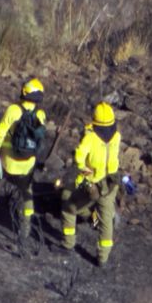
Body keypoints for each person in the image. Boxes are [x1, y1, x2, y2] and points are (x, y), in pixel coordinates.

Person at [0, 77, 47, 238]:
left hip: (7, 161)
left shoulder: (13, 110)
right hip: (27, 165)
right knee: (26, 195)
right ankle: (25, 227)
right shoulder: (41, 114)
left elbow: (0, 133)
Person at [60, 102, 122, 266]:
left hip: (93, 185)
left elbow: (79, 159)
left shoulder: (90, 138)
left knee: (69, 207)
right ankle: (102, 259)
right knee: (106, 221)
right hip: (111, 183)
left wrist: (87, 173)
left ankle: (68, 244)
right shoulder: (117, 136)